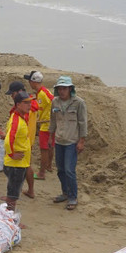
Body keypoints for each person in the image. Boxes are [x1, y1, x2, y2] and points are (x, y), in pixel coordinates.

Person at [49, 76, 87, 210]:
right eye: (59, 88)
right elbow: (53, 121)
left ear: (70, 89)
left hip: (72, 142)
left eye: (64, 88)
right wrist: (50, 137)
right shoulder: (55, 102)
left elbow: (83, 123)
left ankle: (73, 197)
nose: (62, 91)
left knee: (70, 170)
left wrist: (81, 141)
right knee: (60, 170)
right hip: (59, 141)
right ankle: (65, 192)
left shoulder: (79, 103)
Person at [2, 91, 34, 210]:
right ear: (18, 104)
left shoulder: (21, 118)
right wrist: (11, 154)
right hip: (15, 164)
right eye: (26, 103)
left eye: (29, 102)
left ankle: (9, 215)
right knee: (13, 195)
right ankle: (9, 218)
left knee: (14, 191)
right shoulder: (16, 120)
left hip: (20, 163)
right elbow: (8, 139)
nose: (29, 105)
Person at [26, 71, 54, 184]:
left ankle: (42, 172)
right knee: (50, 146)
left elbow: (38, 108)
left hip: (46, 124)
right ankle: (49, 166)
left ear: (33, 81)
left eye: (29, 81)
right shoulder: (44, 91)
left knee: (44, 149)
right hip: (50, 123)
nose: (29, 83)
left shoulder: (42, 94)